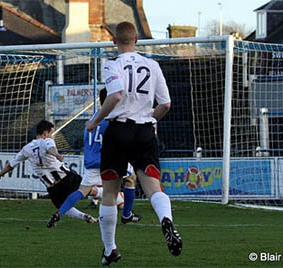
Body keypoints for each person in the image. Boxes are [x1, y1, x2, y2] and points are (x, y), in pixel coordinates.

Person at [85, 21, 182, 265]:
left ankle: (110, 250)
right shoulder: (152, 65)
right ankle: (165, 220)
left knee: (109, 193)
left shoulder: (111, 65)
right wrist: (151, 120)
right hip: (144, 131)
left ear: (114, 42)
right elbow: (166, 103)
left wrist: (96, 120)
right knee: (153, 188)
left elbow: (116, 94)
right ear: (137, 39)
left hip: (118, 130)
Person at [47, 89, 142, 227]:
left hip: (92, 161)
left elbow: (88, 141)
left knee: (82, 191)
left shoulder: (92, 119)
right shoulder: (112, 118)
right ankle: (127, 215)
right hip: (109, 159)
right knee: (131, 178)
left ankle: (59, 213)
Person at [0, 120, 98, 225]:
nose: (52, 136)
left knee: (62, 207)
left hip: (52, 187)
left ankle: (84, 216)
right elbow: (51, 148)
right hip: (66, 179)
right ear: (45, 133)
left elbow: (10, 165)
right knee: (90, 191)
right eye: (51, 133)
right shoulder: (47, 141)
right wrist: (57, 155)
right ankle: (112, 196)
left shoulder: (26, 149)